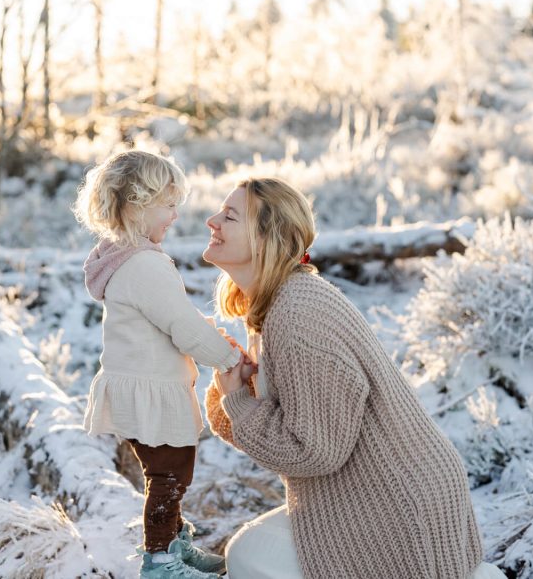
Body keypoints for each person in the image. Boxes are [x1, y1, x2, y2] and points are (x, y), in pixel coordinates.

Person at [202, 177, 505, 579]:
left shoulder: (298, 314)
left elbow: (314, 452)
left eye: (229, 216)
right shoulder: (274, 306)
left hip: (400, 505)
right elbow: (271, 427)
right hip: (367, 494)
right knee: (250, 550)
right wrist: (231, 390)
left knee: (248, 555)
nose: (211, 221)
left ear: (266, 237)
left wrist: (238, 399)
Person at [74, 150, 244, 579]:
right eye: (167, 205)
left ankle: (172, 544)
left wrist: (200, 330)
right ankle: (161, 562)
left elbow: (164, 319)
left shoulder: (123, 257)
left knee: (168, 473)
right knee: (169, 476)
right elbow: (180, 324)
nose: (174, 215)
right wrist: (227, 358)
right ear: (136, 205)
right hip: (151, 390)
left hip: (139, 386)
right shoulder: (144, 265)